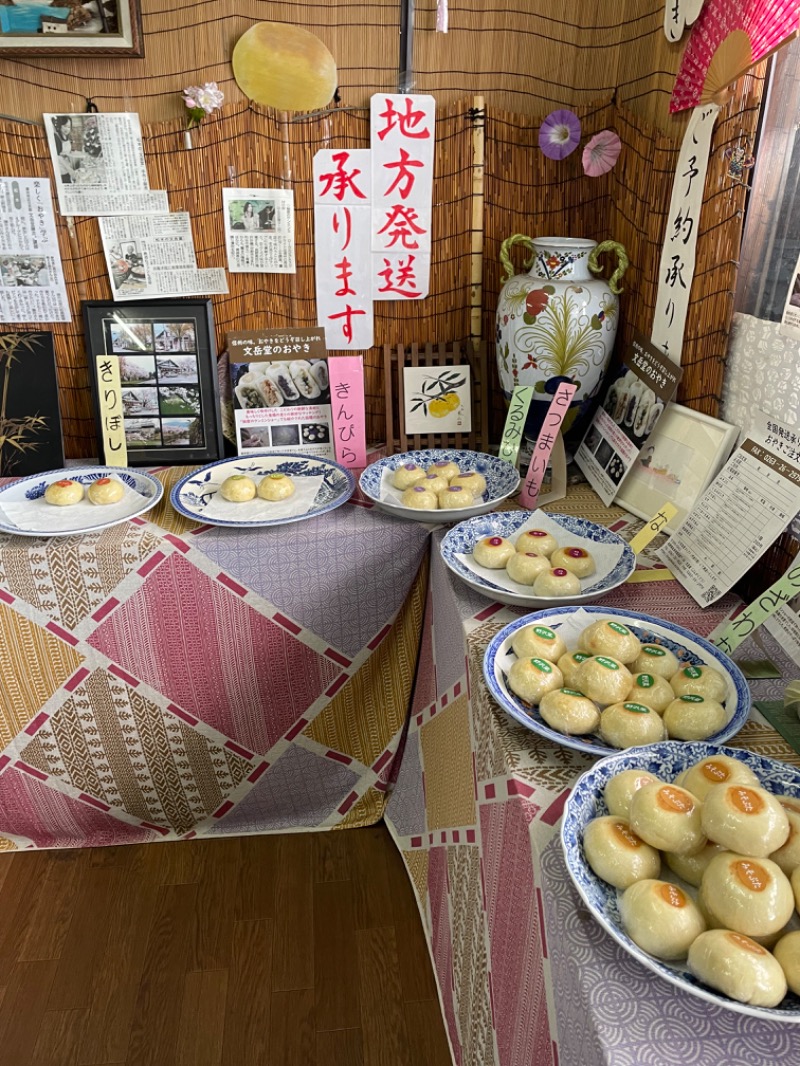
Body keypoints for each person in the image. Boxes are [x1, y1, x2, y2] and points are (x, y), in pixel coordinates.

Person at [52, 116, 83, 184]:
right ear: (60, 125)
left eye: (69, 127)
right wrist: (70, 170)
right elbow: (57, 156)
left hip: (67, 167)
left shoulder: (67, 136)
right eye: (65, 126)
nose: (67, 129)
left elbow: (66, 151)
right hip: (61, 168)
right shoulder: (56, 137)